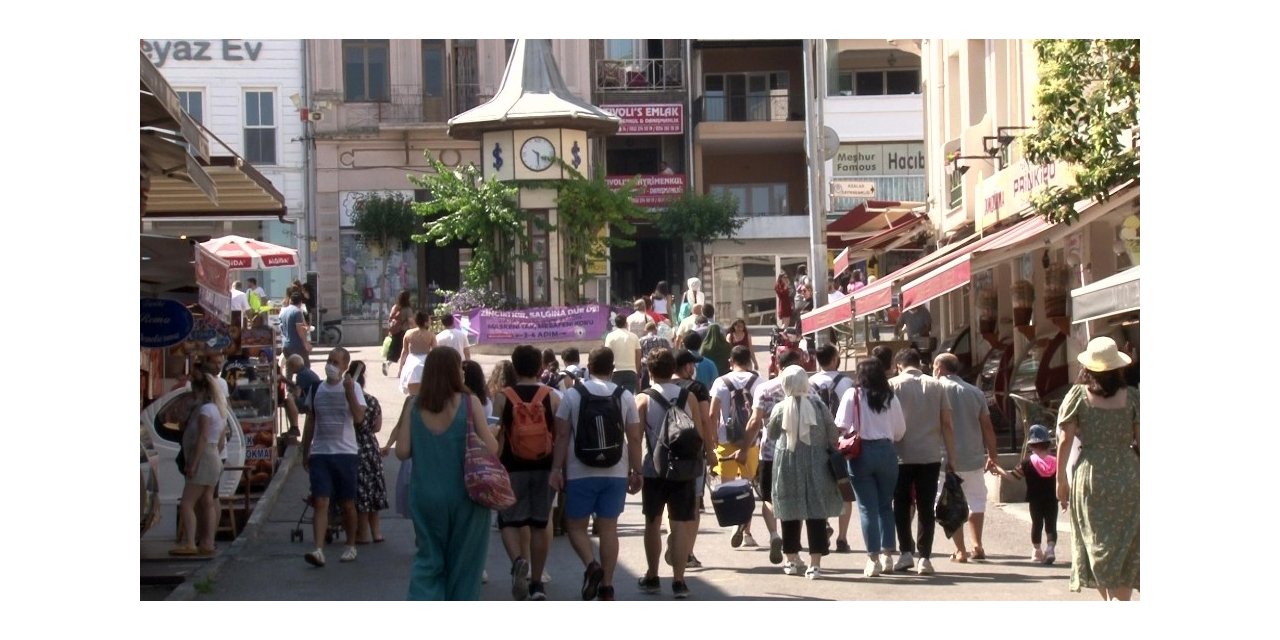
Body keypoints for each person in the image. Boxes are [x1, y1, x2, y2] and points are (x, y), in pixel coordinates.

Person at [396, 346, 498, 600]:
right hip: (467, 495)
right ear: (455, 371)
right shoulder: (469, 402)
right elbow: (492, 448)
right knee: (465, 564)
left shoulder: (414, 404)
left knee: (428, 559)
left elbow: (402, 451)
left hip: (426, 494)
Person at [550, 347, 644, 601]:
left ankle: (592, 565)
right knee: (608, 528)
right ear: (613, 369)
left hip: (579, 469)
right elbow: (634, 437)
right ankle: (607, 586)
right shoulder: (624, 396)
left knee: (575, 526)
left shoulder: (572, 395)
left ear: (588, 367)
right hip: (616, 470)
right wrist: (637, 470)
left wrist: (556, 469)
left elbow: (561, 435)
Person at [1055, 337, 1139, 600]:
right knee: (1127, 538)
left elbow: (1065, 439)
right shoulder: (1133, 397)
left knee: (1094, 538)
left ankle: (1109, 600)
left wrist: (1060, 479)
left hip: (1091, 474)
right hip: (1128, 471)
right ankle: (1122, 600)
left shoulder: (1077, 396)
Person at [635, 348, 716, 600]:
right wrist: (708, 454)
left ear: (650, 371)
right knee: (679, 524)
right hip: (684, 468)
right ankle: (679, 581)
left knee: (652, 522)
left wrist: (634, 470)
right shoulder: (688, 396)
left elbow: (636, 438)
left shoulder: (643, 399)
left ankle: (652, 575)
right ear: (673, 369)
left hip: (654, 469)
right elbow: (699, 432)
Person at [491, 345, 561, 601]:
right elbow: (560, 434)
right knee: (540, 524)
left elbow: (495, 434)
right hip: (544, 466)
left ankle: (518, 560)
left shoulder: (503, 397)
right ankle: (537, 584)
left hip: (512, 467)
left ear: (515, 366)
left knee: (508, 520)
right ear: (540, 368)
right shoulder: (551, 396)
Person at [737, 349, 819, 566]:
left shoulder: (765, 388)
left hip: (771, 453)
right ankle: (794, 552)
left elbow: (755, 421)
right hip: (802, 453)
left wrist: (744, 449)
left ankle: (774, 535)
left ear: (778, 366)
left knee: (769, 498)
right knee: (796, 500)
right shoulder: (810, 389)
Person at [767, 365, 844, 579]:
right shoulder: (818, 406)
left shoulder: (780, 408)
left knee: (789, 510)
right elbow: (833, 433)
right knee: (816, 512)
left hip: (787, 464)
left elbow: (772, 434)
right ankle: (815, 565)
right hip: (817, 464)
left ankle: (791, 560)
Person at [888, 348, 957, 576]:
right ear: (920, 363)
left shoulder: (892, 385)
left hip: (900, 455)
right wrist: (952, 456)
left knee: (901, 504)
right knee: (926, 506)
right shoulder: (937, 385)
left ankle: (905, 552)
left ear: (899, 365)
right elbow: (947, 423)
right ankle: (925, 558)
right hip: (930, 455)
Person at [835, 357, 907, 577]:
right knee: (886, 505)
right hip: (887, 451)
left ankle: (873, 558)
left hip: (861, 453)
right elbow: (900, 431)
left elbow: (841, 425)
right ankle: (887, 555)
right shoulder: (890, 397)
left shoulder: (853, 394)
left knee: (867, 508)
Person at [301, 347, 367, 567]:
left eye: (336, 362)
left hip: (345, 453)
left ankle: (350, 545)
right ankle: (318, 549)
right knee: (320, 501)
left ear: (345, 366)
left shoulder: (353, 387)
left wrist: (349, 392)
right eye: (329, 361)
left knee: (347, 503)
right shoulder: (316, 388)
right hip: (321, 453)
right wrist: (306, 450)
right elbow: (311, 421)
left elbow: (359, 418)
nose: (330, 365)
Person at [933, 352, 999, 563]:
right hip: (973, 457)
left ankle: (960, 550)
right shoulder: (974, 392)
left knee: (949, 503)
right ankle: (977, 544)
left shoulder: (935, 390)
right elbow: (987, 426)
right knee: (976, 500)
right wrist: (993, 455)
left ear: (939, 368)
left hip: (944, 458)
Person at [707, 346, 765, 548]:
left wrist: (713, 438)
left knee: (728, 485)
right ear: (749, 361)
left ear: (730, 361)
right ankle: (746, 531)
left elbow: (712, 413)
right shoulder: (758, 381)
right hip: (750, 441)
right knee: (747, 485)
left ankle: (733, 522)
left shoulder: (720, 382)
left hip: (726, 440)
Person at [169, 373, 229, 557]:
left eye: (194, 390)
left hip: (203, 458)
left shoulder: (205, 411)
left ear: (201, 390)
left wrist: (193, 463)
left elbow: (203, 437)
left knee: (187, 503)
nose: (193, 394)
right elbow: (221, 439)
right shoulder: (218, 410)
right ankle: (207, 542)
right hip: (213, 457)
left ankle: (190, 543)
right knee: (207, 501)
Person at [809, 345, 857, 553]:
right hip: (842, 443)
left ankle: (825, 523)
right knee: (845, 490)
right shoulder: (847, 382)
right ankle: (842, 538)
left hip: (818, 442)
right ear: (835, 358)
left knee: (820, 487)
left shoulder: (809, 383)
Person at [990, 424, 1058, 564]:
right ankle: (1050, 549)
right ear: (1047, 443)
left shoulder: (1027, 462)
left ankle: (1037, 551)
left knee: (1037, 523)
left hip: (1035, 499)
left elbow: (1012, 477)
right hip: (1052, 498)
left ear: (1031, 445)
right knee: (1051, 524)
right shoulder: (1056, 461)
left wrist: (998, 469)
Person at [346, 361, 387, 545]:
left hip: (352, 444)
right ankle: (376, 532)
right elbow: (377, 427)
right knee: (373, 488)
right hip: (370, 447)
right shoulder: (372, 400)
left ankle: (362, 533)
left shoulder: (348, 400)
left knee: (360, 491)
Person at [397, 312, 436, 395]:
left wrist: (400, 368)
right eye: (429, 320)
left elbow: (404, 351)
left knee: (412, 392)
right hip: (426, 361)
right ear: (425, 322)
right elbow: (435, 351)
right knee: (427, 391)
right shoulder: (431, 335)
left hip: (411, 361)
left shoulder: (408, 333)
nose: (431, 321)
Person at [284, 354, 321, 438]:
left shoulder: (301, 375)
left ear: (293, 366)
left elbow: (297, 393)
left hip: (311, 402)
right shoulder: (306, 371)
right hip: (313, 399)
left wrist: (291, 394)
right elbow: (298, 387)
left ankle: (294, 427)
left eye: (289, 366)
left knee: (288, 400)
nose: (289, 369)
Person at [604, 314, 642, 394]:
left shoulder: (610, 336)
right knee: (628, 396)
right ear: (626, 323)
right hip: (631, 371)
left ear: (615, 324)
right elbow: (638, 354)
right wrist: (637, 370)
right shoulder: (634, 336)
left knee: (614, 396)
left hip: (615, 371)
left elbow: (607, 353)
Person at [384, 290, 414, 376]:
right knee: (405, 351)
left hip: (395, 331)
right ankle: (401, 371)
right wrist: (415, 328)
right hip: (403, 332)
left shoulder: (395, 307)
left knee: (395, 349)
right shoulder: (407, 309)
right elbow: (410, 320)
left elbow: (390, 318)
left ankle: (388, 363)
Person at [280, 291, 312, 367]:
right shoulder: (297, 312)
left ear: (290, 301)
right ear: (300, 302)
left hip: (285, 345)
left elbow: (281, 327)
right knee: (305, 367)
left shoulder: (283, 312)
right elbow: (299, 329)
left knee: (290, 368)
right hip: (296, 346)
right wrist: (306, 343)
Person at [638, 321, 671, 391]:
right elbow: (669, 353)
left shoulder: (641, 340)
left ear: (646, 330)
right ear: (655, 329)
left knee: (645, 390)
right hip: (662, 367)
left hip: (646, 367)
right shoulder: (663, 340)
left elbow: (639, 355)